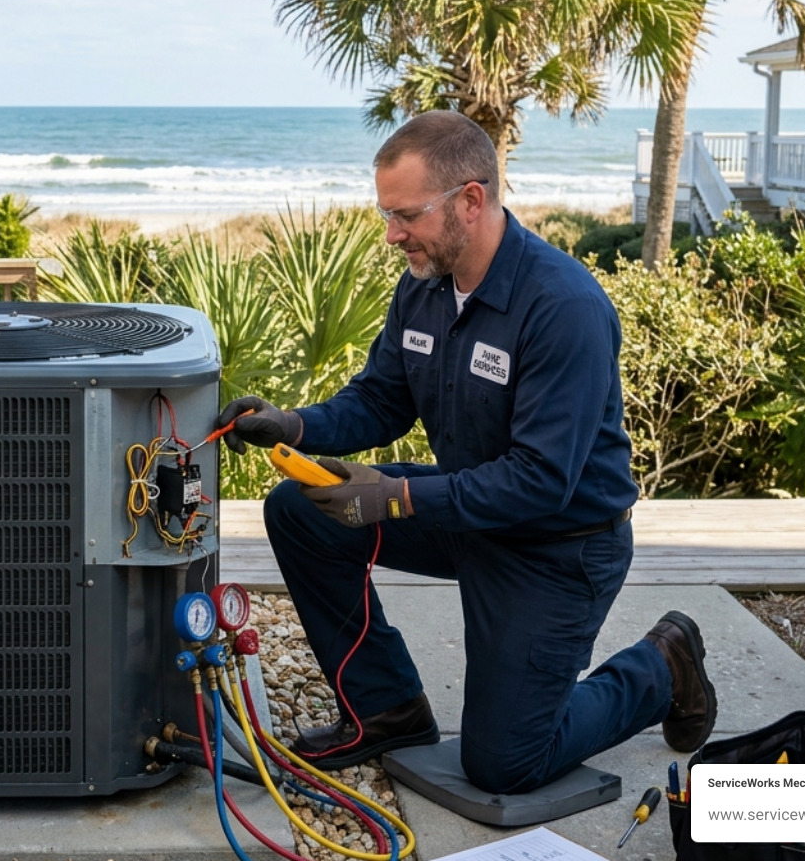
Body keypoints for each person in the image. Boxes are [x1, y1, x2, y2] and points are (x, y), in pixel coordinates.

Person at [216, 111, 716, 794]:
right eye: (387, 215)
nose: (393, 235)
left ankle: (662, 666)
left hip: (556, 548)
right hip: (467, 516)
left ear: (471, 200)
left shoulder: (562, 306)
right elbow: (382, 399)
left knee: (505, 764)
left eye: (406, 215)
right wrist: (294, 427)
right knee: (300, 511)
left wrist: (394, 498)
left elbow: (540, 481)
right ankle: (387, 710)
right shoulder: (423, 286)